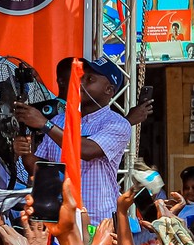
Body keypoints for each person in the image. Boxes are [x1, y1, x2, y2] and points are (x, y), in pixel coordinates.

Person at [13, 58, 134, 223]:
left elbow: (87, 151)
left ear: (109, 90)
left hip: (97, 222)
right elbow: (40, 169)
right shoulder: (59, 120)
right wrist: (25, 151)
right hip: (60, 221)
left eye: (89, 79)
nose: (80, 82)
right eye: (81, 77)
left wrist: (44, 124)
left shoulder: (118, 123)